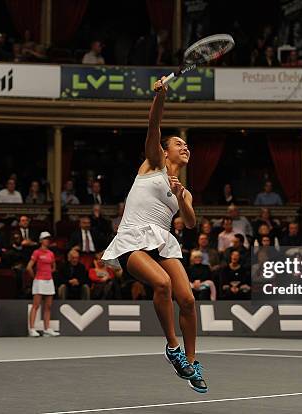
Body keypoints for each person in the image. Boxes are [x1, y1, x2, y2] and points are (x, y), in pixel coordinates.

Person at [101, 77, 207, 393]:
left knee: (187, 299)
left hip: (162, 239)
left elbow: (189, 223)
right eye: (179, 143)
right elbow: (154, 125)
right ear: (165, 150)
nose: (184, 147)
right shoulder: (153, 165)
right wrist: (160, 96)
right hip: (133, 237)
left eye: (186, 145)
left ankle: (191, 360)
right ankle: (172, 347)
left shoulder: (183, 190)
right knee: (161, 284)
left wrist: (179, 195)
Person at [27, 232, 59, 337]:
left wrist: (48, 272)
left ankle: (47, 329)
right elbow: (29, 267)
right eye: (45, 239)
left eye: (48, 239)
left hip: (49, 281)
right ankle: (32, 329)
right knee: (36, 305)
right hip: (39, 281)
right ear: (41, 240)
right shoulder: (36, 252)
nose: (47, 240)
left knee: (48, 306)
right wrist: (35, 277)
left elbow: (53, 267)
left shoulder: (51, 253)